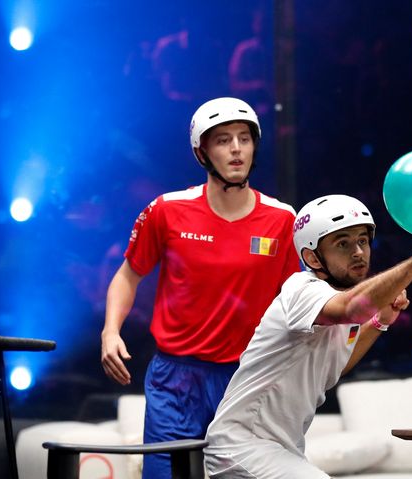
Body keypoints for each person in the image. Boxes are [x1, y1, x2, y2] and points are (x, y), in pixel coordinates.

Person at [204, 194, 412, 478]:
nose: (358, 251)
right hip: (241, 446)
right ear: (312, 257)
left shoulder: (338, 307)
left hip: (281, 449)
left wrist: (381, 322)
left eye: (362, 240)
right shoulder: (303, 289)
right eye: (343, 243)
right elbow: (353, 308)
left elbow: (334, 367)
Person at [101, 97, 301, 479]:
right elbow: (128, 275)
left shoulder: (282, 219)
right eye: (224, 140)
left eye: (245, 138)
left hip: (247, 379)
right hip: (175, 380)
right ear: (202, 152)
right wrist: (110, 332)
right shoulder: (166, 210)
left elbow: (301, 299)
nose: (237, 148)